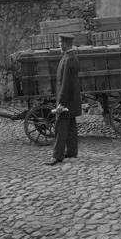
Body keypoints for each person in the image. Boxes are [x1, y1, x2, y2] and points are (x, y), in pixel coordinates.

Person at [46, 32, 82, 165]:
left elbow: (66, 84)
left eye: (60, 42)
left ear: (66, 44)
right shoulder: (70, 58)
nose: (59, 44)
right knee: (71, 126)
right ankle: (72, 151)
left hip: (66, 101)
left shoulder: (68, 60)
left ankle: (57, 156)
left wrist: (61, 103)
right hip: (72, 101)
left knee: (60, 127)